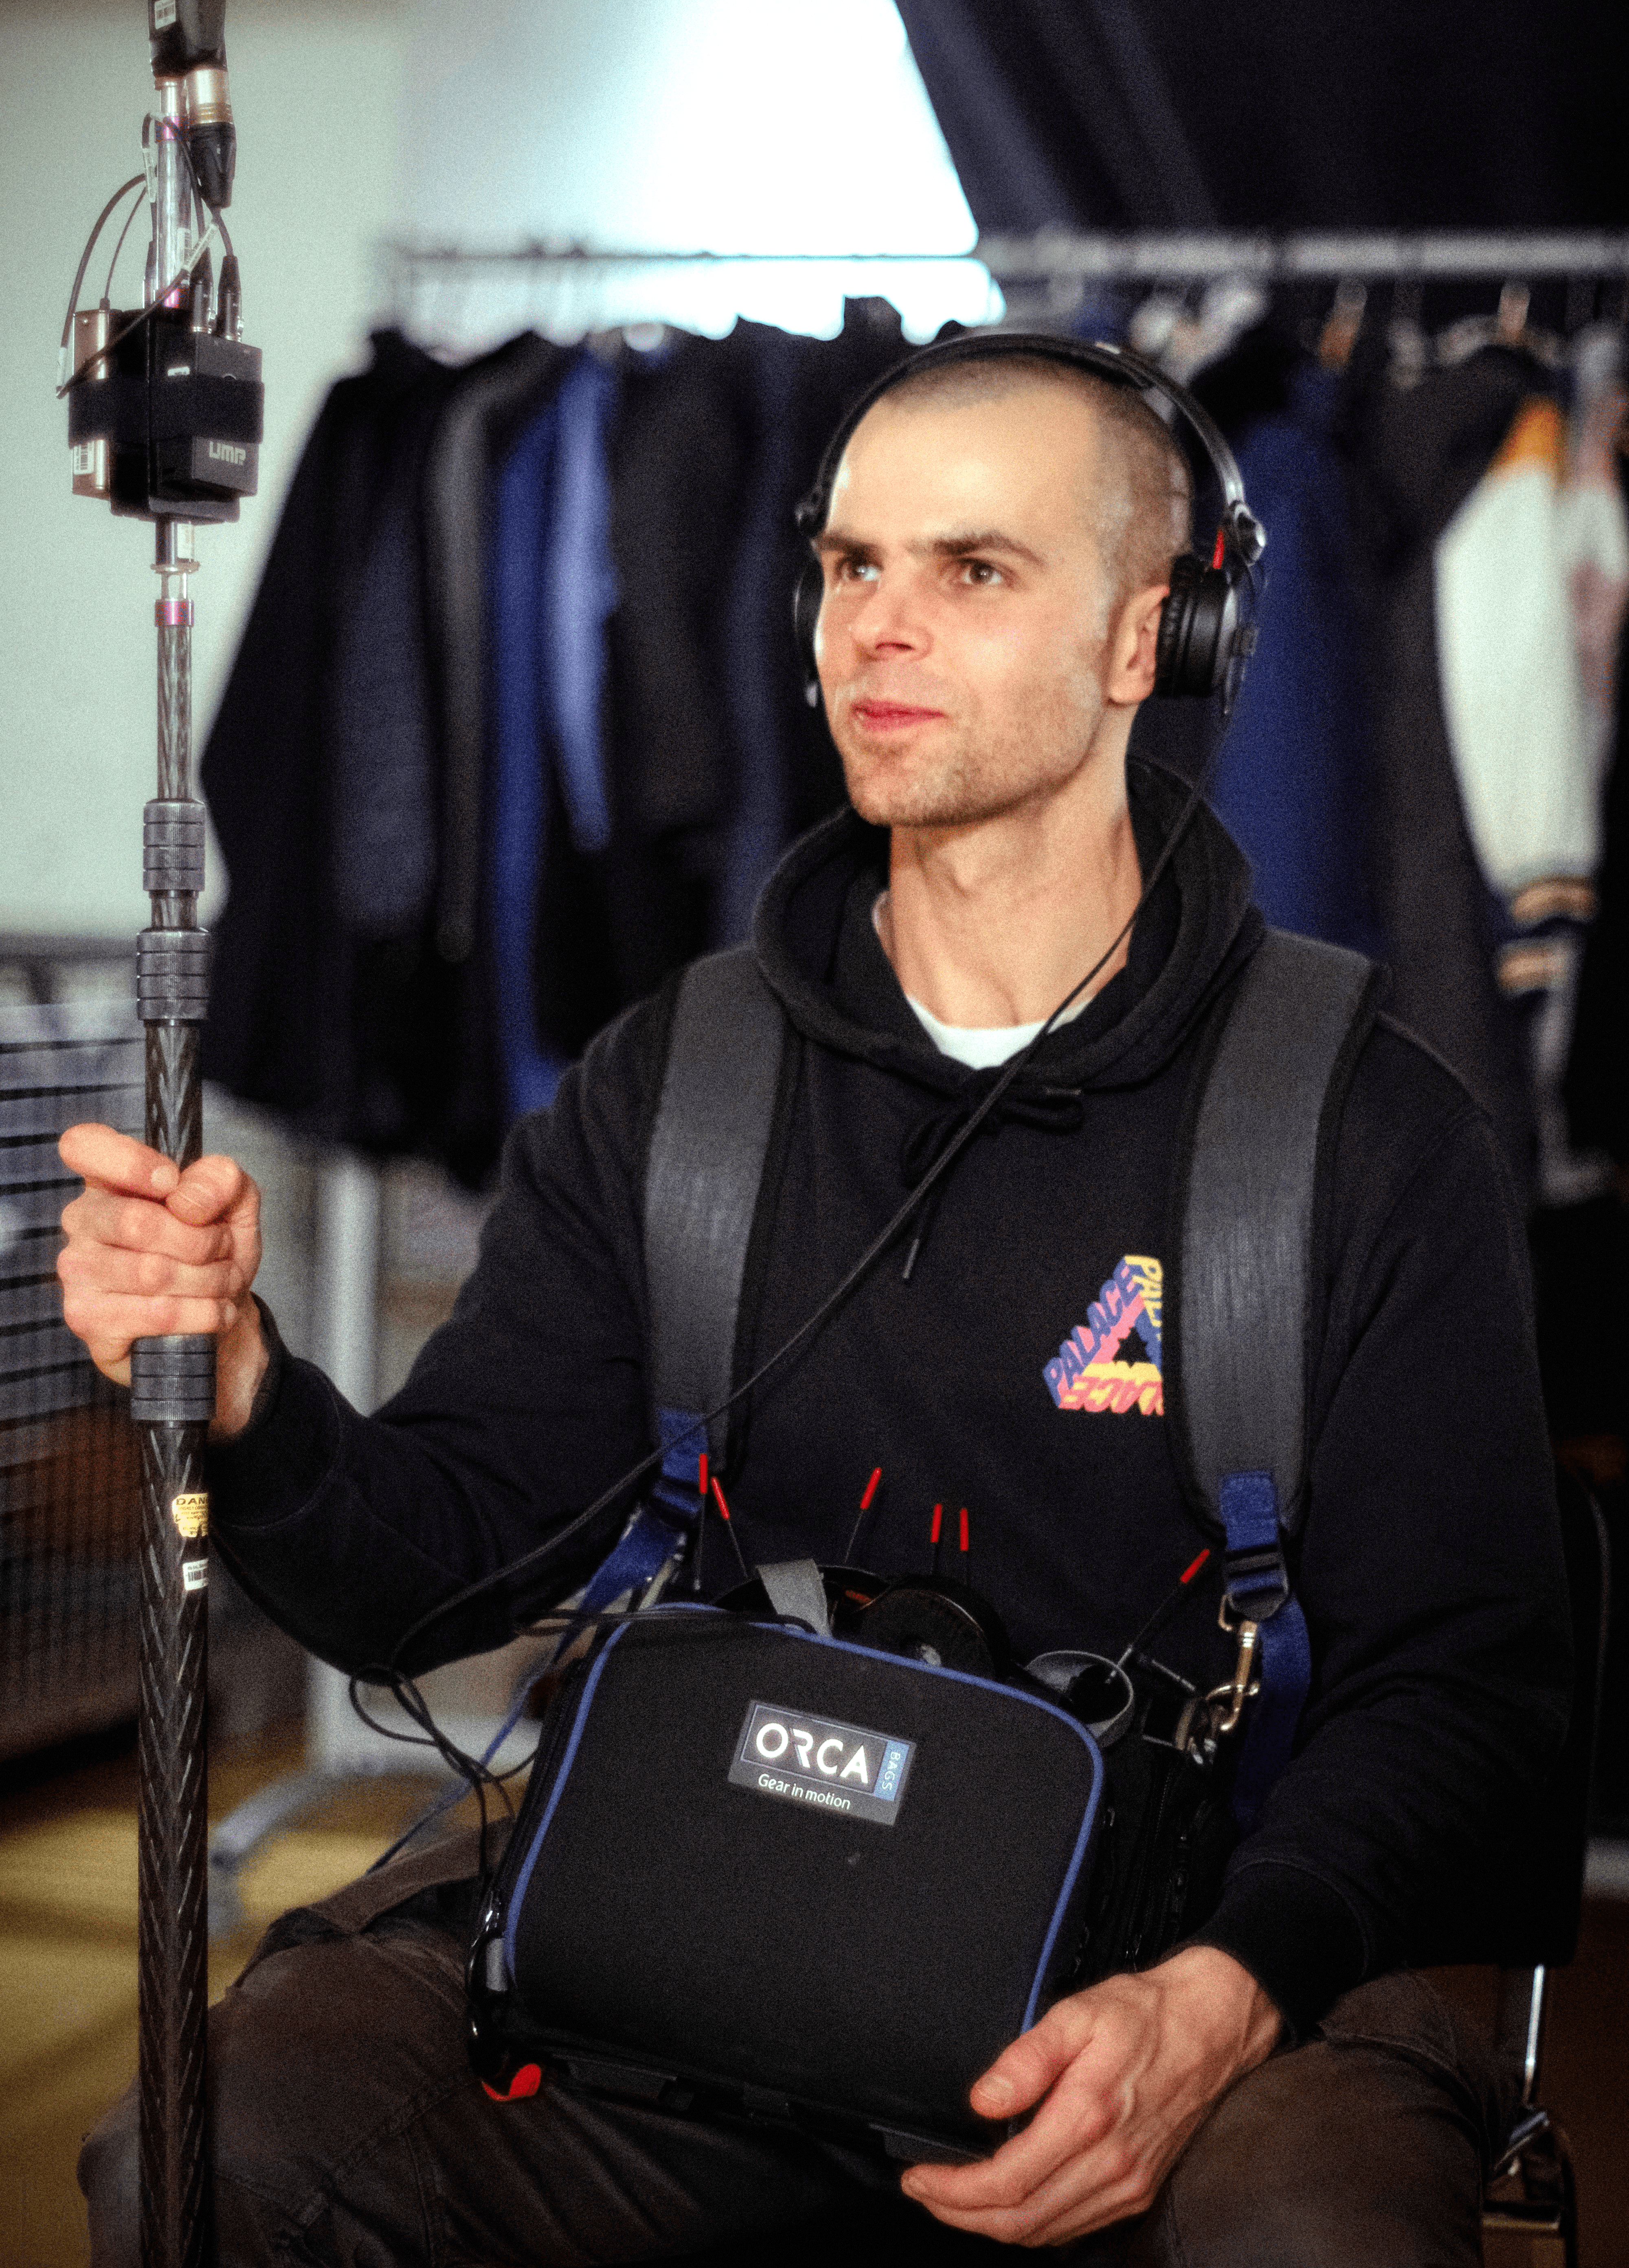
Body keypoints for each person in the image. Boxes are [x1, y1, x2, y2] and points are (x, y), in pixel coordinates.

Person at [61, 345, 1570, 2265]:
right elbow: (419, 1573)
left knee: (1321, 2237)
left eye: (973, 571)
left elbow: (1470, 1698)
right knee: (231, 2149)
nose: (881, 628)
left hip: (1191, 1957)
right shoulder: (671, 1090)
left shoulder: (1361, 1128)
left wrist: (1225, 1999)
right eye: (851, 568)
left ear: (1151, 641)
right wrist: (254, 1390)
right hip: (700, 1913)